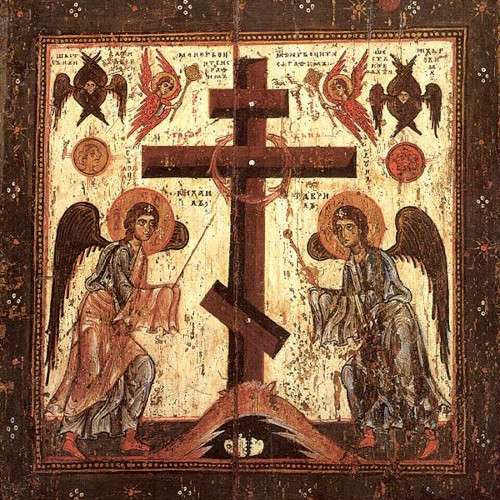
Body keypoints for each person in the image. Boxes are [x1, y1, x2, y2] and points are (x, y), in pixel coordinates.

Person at [308, 205, 449, 459]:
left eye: (349, 227)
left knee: (406, 375)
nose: (344, 234)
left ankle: (429, 433)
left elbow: (384, 297)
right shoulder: (349, 267)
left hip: (397, 323)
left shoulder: (379, 258)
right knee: (353, 372)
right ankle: (369, 430)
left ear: (362, 230)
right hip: (374, 329)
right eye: (339, 230)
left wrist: (372, 315)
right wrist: (321, 294)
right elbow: (351, 303)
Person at [46, 202, 180, 460]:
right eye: (142, 222)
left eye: (152, 224)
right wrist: (162, 294)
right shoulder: (120, 252)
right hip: (96, 315)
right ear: (130, 224)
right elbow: (125, 291)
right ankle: (69, 437)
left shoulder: (141, 256)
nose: (148, 228)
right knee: (90, 370)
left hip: (116, 321)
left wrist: (164, 292)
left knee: (144, 366)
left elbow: (133, 297)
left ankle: (129, 437)